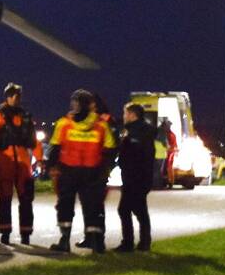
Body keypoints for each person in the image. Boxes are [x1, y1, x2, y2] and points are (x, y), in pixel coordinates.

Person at [47, 89, 116, 253]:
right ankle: (97, 244)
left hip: (68, 171)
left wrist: (51, 167)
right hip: (93, 172)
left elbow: (54, 148)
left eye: (75, 102)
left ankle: (64, 241)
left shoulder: (64, 123)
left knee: (65, 206)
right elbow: (110, 149)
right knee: (93, 207)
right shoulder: (100, 124)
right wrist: (104, 169)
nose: (73, 105)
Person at [0, 82, 41, 245]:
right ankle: (5, 232)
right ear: (7, 97)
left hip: (23, 162)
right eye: (13, 95)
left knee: (26, 199)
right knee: (4, 199)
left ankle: (26, 233)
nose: (16, 98)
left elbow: (34, 140)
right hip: (5, 161)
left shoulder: (26, 117)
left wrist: (39, 159)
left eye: (18, 96)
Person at [76, 93, 118, 249]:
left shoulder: (105, 121)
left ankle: (99, 240)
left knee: (96, 206)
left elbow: (113, 146)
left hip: (98, 170)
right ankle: (89, 237)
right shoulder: (85, 121)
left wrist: (105, 165)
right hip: (84, 169)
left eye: (90, 103)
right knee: (87, 205)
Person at [116, 103, 156, 252]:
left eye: (125, 113)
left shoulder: (135, 132)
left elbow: (134, 155)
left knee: (125, 209)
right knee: (139, 210)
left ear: (133, 115)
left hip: (135, 177)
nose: (124, 116)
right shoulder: (142, 131)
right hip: (140, 177)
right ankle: (143, 242)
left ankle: (129, 243)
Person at [158, 118, 178, 187]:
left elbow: (170, 144)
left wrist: (169, 149)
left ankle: (170, 181)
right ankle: (170, 181)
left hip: (169, 152)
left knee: (168, 167)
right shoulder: (171, 134)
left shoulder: (169, 134)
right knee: (168, 167)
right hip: (169, 152)